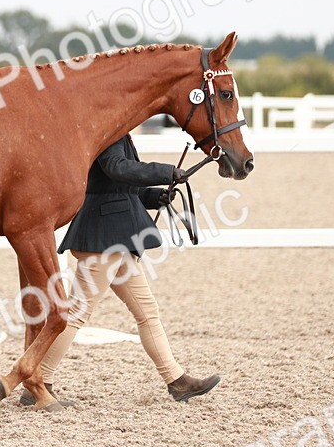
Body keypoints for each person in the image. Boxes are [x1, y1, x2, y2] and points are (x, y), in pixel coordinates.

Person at [22, 134, 222, 406]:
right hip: (107, 236)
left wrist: (155, 196)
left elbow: (121, 183)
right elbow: (117, 167)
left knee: (147, 312)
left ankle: (177, 381)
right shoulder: (110, 131)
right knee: (77, 313)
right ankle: (38, 381)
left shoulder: (119, 132)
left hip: (117, 236)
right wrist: (165, 172)